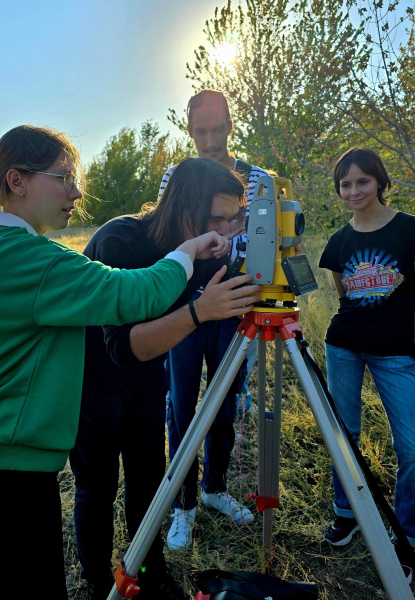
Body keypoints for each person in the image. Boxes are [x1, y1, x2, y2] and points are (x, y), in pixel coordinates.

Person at [0, 126, 233, 600]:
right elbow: (137, 293)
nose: (77, 191)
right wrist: (189, 254)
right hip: (7, 468)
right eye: (64, 178)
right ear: (16, 181)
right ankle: (97, 579)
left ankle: (144, 574)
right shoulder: (35, 260)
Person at [69, 157, 261, 600]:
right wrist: (200, 311)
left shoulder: (210, 248)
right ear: (184, 208)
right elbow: (123, 346)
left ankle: (149, 570)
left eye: (236, 218)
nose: (228, 230)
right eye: (218, 218)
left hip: (148, 376)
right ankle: (99, 583)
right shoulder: (121, 240)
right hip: (94, 378)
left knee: (148, 477)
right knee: (97, 486)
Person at [160, 90, 269, 550]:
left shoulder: (258, 177)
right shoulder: (177, 176)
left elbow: (269, 240)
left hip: (236, 305)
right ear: (189, 130)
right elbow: (168, 233)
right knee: (182, 403)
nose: (209, 140)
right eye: (200, 131)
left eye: (217, 129)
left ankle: (214, 489)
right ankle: (182, 506)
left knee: (225, 399)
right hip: (185, 305)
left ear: (230, 123)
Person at [319, 147, 415, 581]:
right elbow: (342, 293)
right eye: (346, 184)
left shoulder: (409, 230)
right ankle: (347, 512)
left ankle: (407, 532)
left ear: (379, 181)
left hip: (398, 353)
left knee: (411, 446)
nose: (354, 190)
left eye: (362, 181)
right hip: (344, 347)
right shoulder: (339, 242)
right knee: (345, 434)